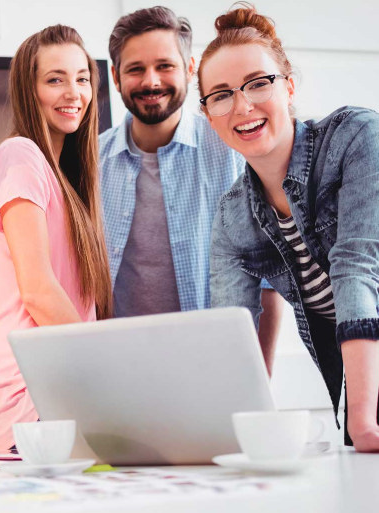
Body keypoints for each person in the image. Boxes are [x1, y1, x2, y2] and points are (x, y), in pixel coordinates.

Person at [203, 4, 379, 451]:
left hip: (364, 400)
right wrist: (228, 436)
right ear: (209, 114)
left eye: (258, 84)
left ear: (289, 87)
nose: (242, 105)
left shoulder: (356, 137)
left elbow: (355, 267)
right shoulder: (232, 219)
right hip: (361, 391)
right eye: (221, 94)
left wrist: (360, 421)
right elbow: (232, 337)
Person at [99, 6, 284, 370]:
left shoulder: (233, 151)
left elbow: (268, 281)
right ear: (115, 77)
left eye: (164, 66)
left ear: (188, 68)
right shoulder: (88, 163)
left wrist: (257, 385)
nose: (151, 81)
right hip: (116, 375)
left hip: (213, 373)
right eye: (136, 68)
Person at [0, 25, 113, 452]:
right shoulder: (20, 155)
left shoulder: (68, 176)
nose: (73, 92)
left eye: (82, 78)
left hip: (56, 390)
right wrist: (110, 370)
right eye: (55, 79)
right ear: (29, 90)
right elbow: (39, 292)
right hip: (25, 397)